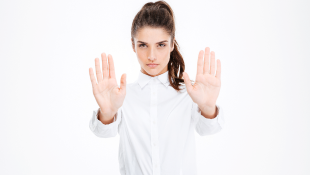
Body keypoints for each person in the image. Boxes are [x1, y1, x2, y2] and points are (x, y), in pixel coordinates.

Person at [88, 1, 224, 175]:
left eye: (161, 45)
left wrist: (207, 108)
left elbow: (209, 129)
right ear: (133, 45)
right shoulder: (122, 96)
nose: (151, 56)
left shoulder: (189, 93)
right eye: (143, 45)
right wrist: (107, 113)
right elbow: (102, 133)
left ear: (172, 44)